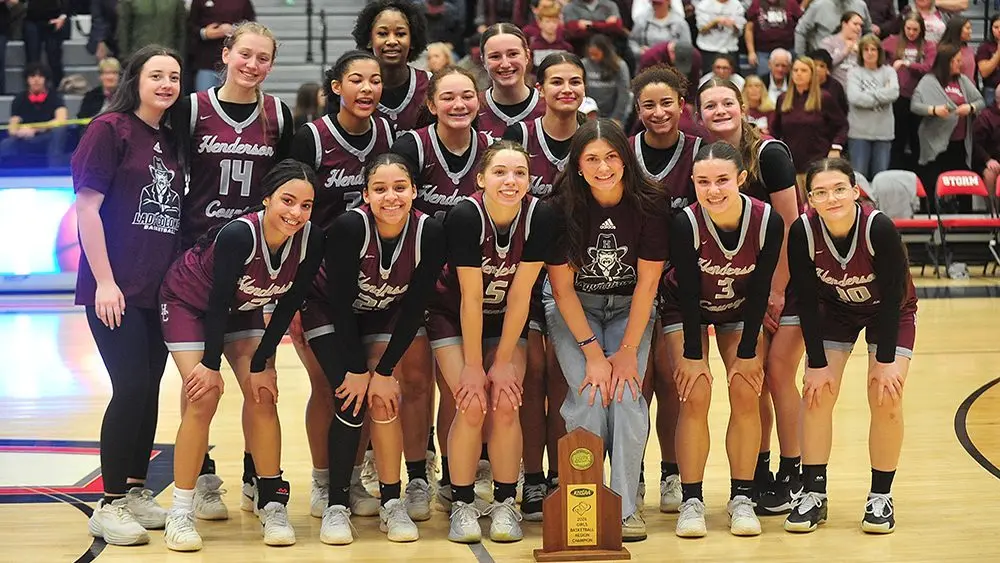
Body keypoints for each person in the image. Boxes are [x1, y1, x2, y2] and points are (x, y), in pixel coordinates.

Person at [160, 160, 324, 551]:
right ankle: (180, 511)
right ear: (266, 198)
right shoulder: (239, 234)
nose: (296, 213)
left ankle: (270, 499)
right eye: (287, 201)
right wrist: (211, 364)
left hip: (245, 308)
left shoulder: (312, 238)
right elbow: (216, 304)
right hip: (189, 303)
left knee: (263, 392)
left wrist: (263, 361)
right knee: (204, 395)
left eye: (306, 205)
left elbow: (290, 304)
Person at [300, 153, 446, 544]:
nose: (391, 197)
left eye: (400, 188)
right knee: (348, 396)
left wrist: (382, 373)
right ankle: (335, 504)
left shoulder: (430, 232)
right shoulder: (350, 227)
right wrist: (358, 371)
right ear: (365, 194)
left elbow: (416, 306)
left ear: (415, 191)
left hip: (385, 314)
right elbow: (342, 305)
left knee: (385, 397)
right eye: (380, 189)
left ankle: (391, 501)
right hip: (329, 312)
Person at [72, 44, 184, 547]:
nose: (165, 84)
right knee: (131, 387)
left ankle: (137, 490)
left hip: (158, 290)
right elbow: (87, 209)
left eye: (174, 77)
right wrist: (105, 281)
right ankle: (109, 502)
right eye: (156, 75)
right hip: (115, 288)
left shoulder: (172, 137)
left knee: (149, 389)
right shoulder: (109, 129)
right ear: (135, 79)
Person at [545, 118, 670, 542]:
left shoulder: (651, 203)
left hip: (630, 307)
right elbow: (561, 290)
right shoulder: (559, 205)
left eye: (612, 156)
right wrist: (595, 356)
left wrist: (626, 352)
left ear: (626, 160)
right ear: (578, 165)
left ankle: (624, 505)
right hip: (575, 307)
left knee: (627, 394)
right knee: (589, 392)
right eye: (593, 158)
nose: (603, 167)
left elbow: (649, 283)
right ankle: (584, 499)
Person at [428, 141, 554, 543]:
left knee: (504, 400)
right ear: (481, 179)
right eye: (500, 172)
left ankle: (503, 502)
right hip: (454, 316)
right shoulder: (466, 215)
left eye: (519, 173)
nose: (510, 181)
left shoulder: (540, 216)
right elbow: (469, 296)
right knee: (470, 402)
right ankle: (462, 502)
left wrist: (501, 362)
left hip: (506, 319)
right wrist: (471, 365)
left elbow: (520, 295)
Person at [289, 49, 397, 521]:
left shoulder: (391, 135)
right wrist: (288, 294)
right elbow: (290, 217)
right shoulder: (310, 139)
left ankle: (351, 481)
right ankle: (321, 481)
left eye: (375, 80)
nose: (368, 89)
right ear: (336, 86)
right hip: (320, 286)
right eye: (356, 80)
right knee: (327, 384)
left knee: (368, 384)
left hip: (376, 284)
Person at [784, 157, 917, 535]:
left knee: (885, 394)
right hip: (837, 312)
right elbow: (807, 300)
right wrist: (817, 360)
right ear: (809, 198)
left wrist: (887, 360)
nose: (832, 198)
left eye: (840, 188)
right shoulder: (804, 233)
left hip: (889, 313)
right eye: (821, 192)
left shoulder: (879, 227)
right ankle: (813, 493)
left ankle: (880, 496)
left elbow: (893, 296)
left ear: (855, 191)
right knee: (816, 392)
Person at [664, 141, 783, 538]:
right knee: (694, 392)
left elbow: (762, 288)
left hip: (741, 311)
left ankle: (742, 497)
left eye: (722, 181)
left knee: (746, 391)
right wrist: (694, 356)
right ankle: (692, 500)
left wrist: (748, 353)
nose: (713, 190)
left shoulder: (767, 221)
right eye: (703, 182)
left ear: (741, 180)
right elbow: (685, 294)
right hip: (687, 309)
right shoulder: (686, 222)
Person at [697, 78, 803, 516]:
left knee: (777, 375)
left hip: (789, 278)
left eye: (727, 102)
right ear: (699, 114)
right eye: (710, 105)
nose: (720, 110)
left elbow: (790, 228)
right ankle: (759, 472)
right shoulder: (704, 158)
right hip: (744, 285)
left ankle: (797, 474)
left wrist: (778, 292)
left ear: (741, 107)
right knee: (752, 379)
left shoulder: (769, 155)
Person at [392, 65, 493, 509]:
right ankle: (417, 473)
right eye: (448, 97)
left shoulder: (492, 151)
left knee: (459, 387)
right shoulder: (411, 147)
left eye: (467, 96)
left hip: (473, 287)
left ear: (480, 101)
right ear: (431, 104)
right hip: (416, 284)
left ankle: (456, 475)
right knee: (414, 381)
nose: (459, 105)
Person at [501, 52, 584, 520]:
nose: (566, 89)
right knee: (531, 376)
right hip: (525, 268)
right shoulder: (519, 136)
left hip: (576, 268)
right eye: (556, 81)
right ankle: (531, 479)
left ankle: (561, 475)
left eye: (575, 81)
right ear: (541, 87)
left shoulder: (595, 134)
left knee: (563, 377)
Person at [628, 64, 702, 515]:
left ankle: (672, 473)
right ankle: (631, 474)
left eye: (666, 103)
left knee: (674, 383)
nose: (658, 112)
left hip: (681, 286)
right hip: (626, 282)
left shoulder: (700, 154)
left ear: (681, 103)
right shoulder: (623, 150)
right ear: (637, 108)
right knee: (634, 386)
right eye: (648, 105)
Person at [911, 43, 984, 213]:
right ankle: (932, 218)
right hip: (935, 142)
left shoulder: (963, 80)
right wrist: (934, 110)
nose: (961, 63)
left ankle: (967, 221)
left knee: (963, 180)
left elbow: (980, 101)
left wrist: (970, 108)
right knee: (933, 181)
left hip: (959, 142)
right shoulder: (929, 81)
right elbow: (915, 105)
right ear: (947, 62)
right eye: (957, 60)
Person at [353, 0, 431, 135]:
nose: (392, 41)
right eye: (382, 34)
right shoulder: (353, 87)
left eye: (400, 34)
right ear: (369, 40)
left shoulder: (430, 84)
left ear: (412, 40)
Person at [771, 56, 848, 192]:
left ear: (812, 74)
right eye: (795, 70)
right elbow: (775, 131)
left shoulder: (824, 98)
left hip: (818, 162)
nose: (799, 73)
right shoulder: (782, 99)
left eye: (803, 70)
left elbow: (842, 125)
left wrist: (835, 147)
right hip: (792, 164)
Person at [883, 13, 935, 170]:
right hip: (898, 97)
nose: (911, 32)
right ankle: (895, 171)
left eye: (915, 29)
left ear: (921, 30)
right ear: (903, 27)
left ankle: (917, 175)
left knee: (917, 138)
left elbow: (928, 67)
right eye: (908, 28)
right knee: (898, 137)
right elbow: (875, 53)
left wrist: (907, 63)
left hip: (920, 98)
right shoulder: (892, 41)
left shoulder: (928, 45)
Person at [478, 23, 547, 138]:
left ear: (527, 56)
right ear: (483, 61)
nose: (505, 64)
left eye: (513, 54)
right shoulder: (473, 107)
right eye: (495, 56)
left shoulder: (549, 107)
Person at [846, 34, 899, 180]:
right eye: (866, 49)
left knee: (880, 179)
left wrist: (868, 95)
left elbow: (894, 93)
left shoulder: (889, 71)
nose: (870, 53)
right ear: (861, 53)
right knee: (859, 179)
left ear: (879, 52)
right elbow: (854, 98)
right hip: (859, 134)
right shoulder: (854, 73)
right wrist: (882, 94)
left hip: (883, 134)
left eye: (873, 49)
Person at [0, 62, 68, 168]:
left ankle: (54, 171)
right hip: (26, 138)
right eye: (32, 76)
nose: (36, 80)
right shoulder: (19, 99)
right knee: (6, 144)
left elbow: (61, 120)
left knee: (59, 130)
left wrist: (35, 129)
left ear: (45, 79)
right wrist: (19, 133)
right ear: (27, 79)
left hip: (47, 136)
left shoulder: (55, 97)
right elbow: (12, 128)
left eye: (40, 76)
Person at [187, 0, 257, 92]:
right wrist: (205, 33)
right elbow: (190, 27)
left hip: (234, 65)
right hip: (205, 63)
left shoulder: (243, 2)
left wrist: (234, 31)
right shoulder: (199, 1)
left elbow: (251, 27)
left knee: (232, 102)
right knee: (204, 102)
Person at [584, 33, 632, 124]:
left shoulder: (619, 65)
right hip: (590, 114)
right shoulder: (584, 64)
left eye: (596, 54)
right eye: (590, 54)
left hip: (612, 113)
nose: (592, 57)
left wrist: (617, 117)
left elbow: (624, 93)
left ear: (605, 52)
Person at [745, 0, 801, 77]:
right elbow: (749, 29)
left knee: (790, 79)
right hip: (763, 52)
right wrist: (751, 52)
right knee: (764, 79)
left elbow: (801, 27)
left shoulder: (791, 3)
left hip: (788, 51)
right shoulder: (756, 4)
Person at [117, 0, 186, 62]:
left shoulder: (176, 2)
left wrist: (179, 57)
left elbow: (181, 32)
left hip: (168, 56)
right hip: (138, 57)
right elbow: (123, 31)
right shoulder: (129, 2)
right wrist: (125, 58)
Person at [694, 0, 746, 75]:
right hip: (708, 49)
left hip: (730, 48)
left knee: (733, 79)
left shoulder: (737, 5)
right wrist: (715, 22)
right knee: (708, 79)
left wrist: (733, 25)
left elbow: (739, 31)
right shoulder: (704, 4)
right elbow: (701, 30)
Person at [975, 15, 1000, 107]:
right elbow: (984, 72)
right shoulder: (985, 47)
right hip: (991, 90)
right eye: (996, 27)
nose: (999, 30)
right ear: (991, 29)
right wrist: (998, 53)